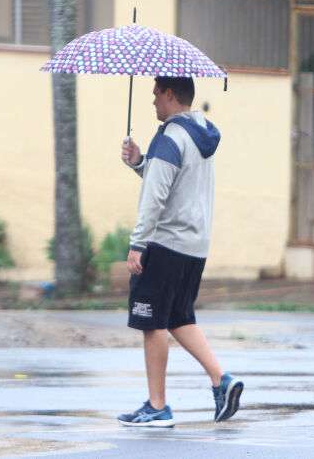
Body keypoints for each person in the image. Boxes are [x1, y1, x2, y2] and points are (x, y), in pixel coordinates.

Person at [116, 76, 243, 428]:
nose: (153, 100)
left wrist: (137, 244)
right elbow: (173, 183)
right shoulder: (200, 132)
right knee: (178, 317)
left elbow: (155, 197)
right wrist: (142, 161)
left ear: (170, 94)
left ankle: (157, 406)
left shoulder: (170, 136)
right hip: (194, 246)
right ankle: (222, 380)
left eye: (156, 93)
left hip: (165, 242)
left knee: (151, 320)